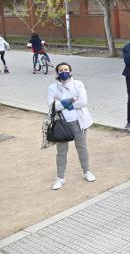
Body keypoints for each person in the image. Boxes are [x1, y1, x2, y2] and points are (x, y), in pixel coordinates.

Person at [47, 62, 96, 190]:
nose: (64, 72)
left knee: (82, 147)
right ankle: (60, 177)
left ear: (70, 71)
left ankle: (87, 172)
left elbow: (83, 102)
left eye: (66, 69)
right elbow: (52, 106)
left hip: (79, 122)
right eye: (61, 70)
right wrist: (72, 99)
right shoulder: (53, 87)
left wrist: (62, 103)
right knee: (61, 151)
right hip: (62, 124)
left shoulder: (78, 84)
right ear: (57, 73)